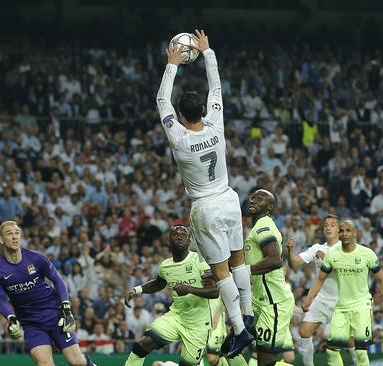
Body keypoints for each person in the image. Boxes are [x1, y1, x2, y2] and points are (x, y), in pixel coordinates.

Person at [156, 28, 254, 357]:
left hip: (206, 206)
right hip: (229, 197)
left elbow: (160, 101)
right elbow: (217, 87)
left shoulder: (180, 139)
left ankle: (240, 329)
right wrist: (208, 52)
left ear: (182, 116)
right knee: (239, 261)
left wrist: (173, 64)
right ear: (203, 110)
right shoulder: (216, 123)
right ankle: (250, 315)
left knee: (220, 270)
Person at [0, 221, 94, 366]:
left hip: (55, 315)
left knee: (76, 362)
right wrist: (11, 319)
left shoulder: (36, 258)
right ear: (1, 240)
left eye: (17, 232)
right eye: (9, 233)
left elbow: (58, 280)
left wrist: (66, 308)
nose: (15, 236)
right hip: (31, 324)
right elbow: (2, 300)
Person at [303, 220, 383, 366]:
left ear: (355, 233)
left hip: (362, 306)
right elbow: (320, 279)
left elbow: (382, 280)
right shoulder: (332, 255)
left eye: (348, 230)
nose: (344, 233)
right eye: (341, 231)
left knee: (360, 351)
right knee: (332, 350)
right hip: (340, 307)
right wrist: (308, 299)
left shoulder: (367, 254)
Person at [123, 225, 217, 366]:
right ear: (169, 241)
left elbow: (215, 292)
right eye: (175, 234)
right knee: (141, 346)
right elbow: (159, 283)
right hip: (176, 317)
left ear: (189, 241)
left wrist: (189, 289)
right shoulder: (165, 266)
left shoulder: (200, 262)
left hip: (198, 325)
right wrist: (137, 290)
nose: (179, 236)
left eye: (183, 235)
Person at [232, 189, 294, 366]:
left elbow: (275, 260)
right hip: (259, 301)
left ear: (270, 207)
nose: (253, 200)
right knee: (228, 349)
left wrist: (244, 272)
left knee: (265, 361)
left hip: (273, 302)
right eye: (252, 197)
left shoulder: (263, 225)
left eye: (260, 198)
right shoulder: (255, 228)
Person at [286, 215, 359, 366]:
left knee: (350, 341)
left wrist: (326, 259)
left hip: (343, 300)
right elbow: (294, 265)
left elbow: (347, 274)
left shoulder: (346, 247)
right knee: (305, 332)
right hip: (323, 298)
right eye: (326, 225)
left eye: (332, 225)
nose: (328, 227)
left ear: (339, 229)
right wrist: (290, 251)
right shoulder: (317, 248)